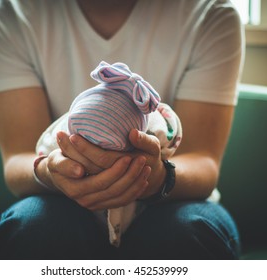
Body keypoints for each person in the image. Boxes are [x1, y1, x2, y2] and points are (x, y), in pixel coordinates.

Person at [0, 0, 244, 259]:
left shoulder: (209, 13)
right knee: (32, 228)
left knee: (187, 233)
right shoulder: (10, 17)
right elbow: (18, 160)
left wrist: (156, 178)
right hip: (61, 202)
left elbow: (203, 161)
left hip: (175, 199)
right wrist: (52, 171)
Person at [36, 60, 183, 247]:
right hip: (67, 202)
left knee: (188, 229)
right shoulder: (65, 128)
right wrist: (49, 171)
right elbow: (172, 134)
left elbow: (204, 162)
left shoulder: (155, 126)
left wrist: (160, 177)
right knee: (31, 224)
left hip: (164, 200)